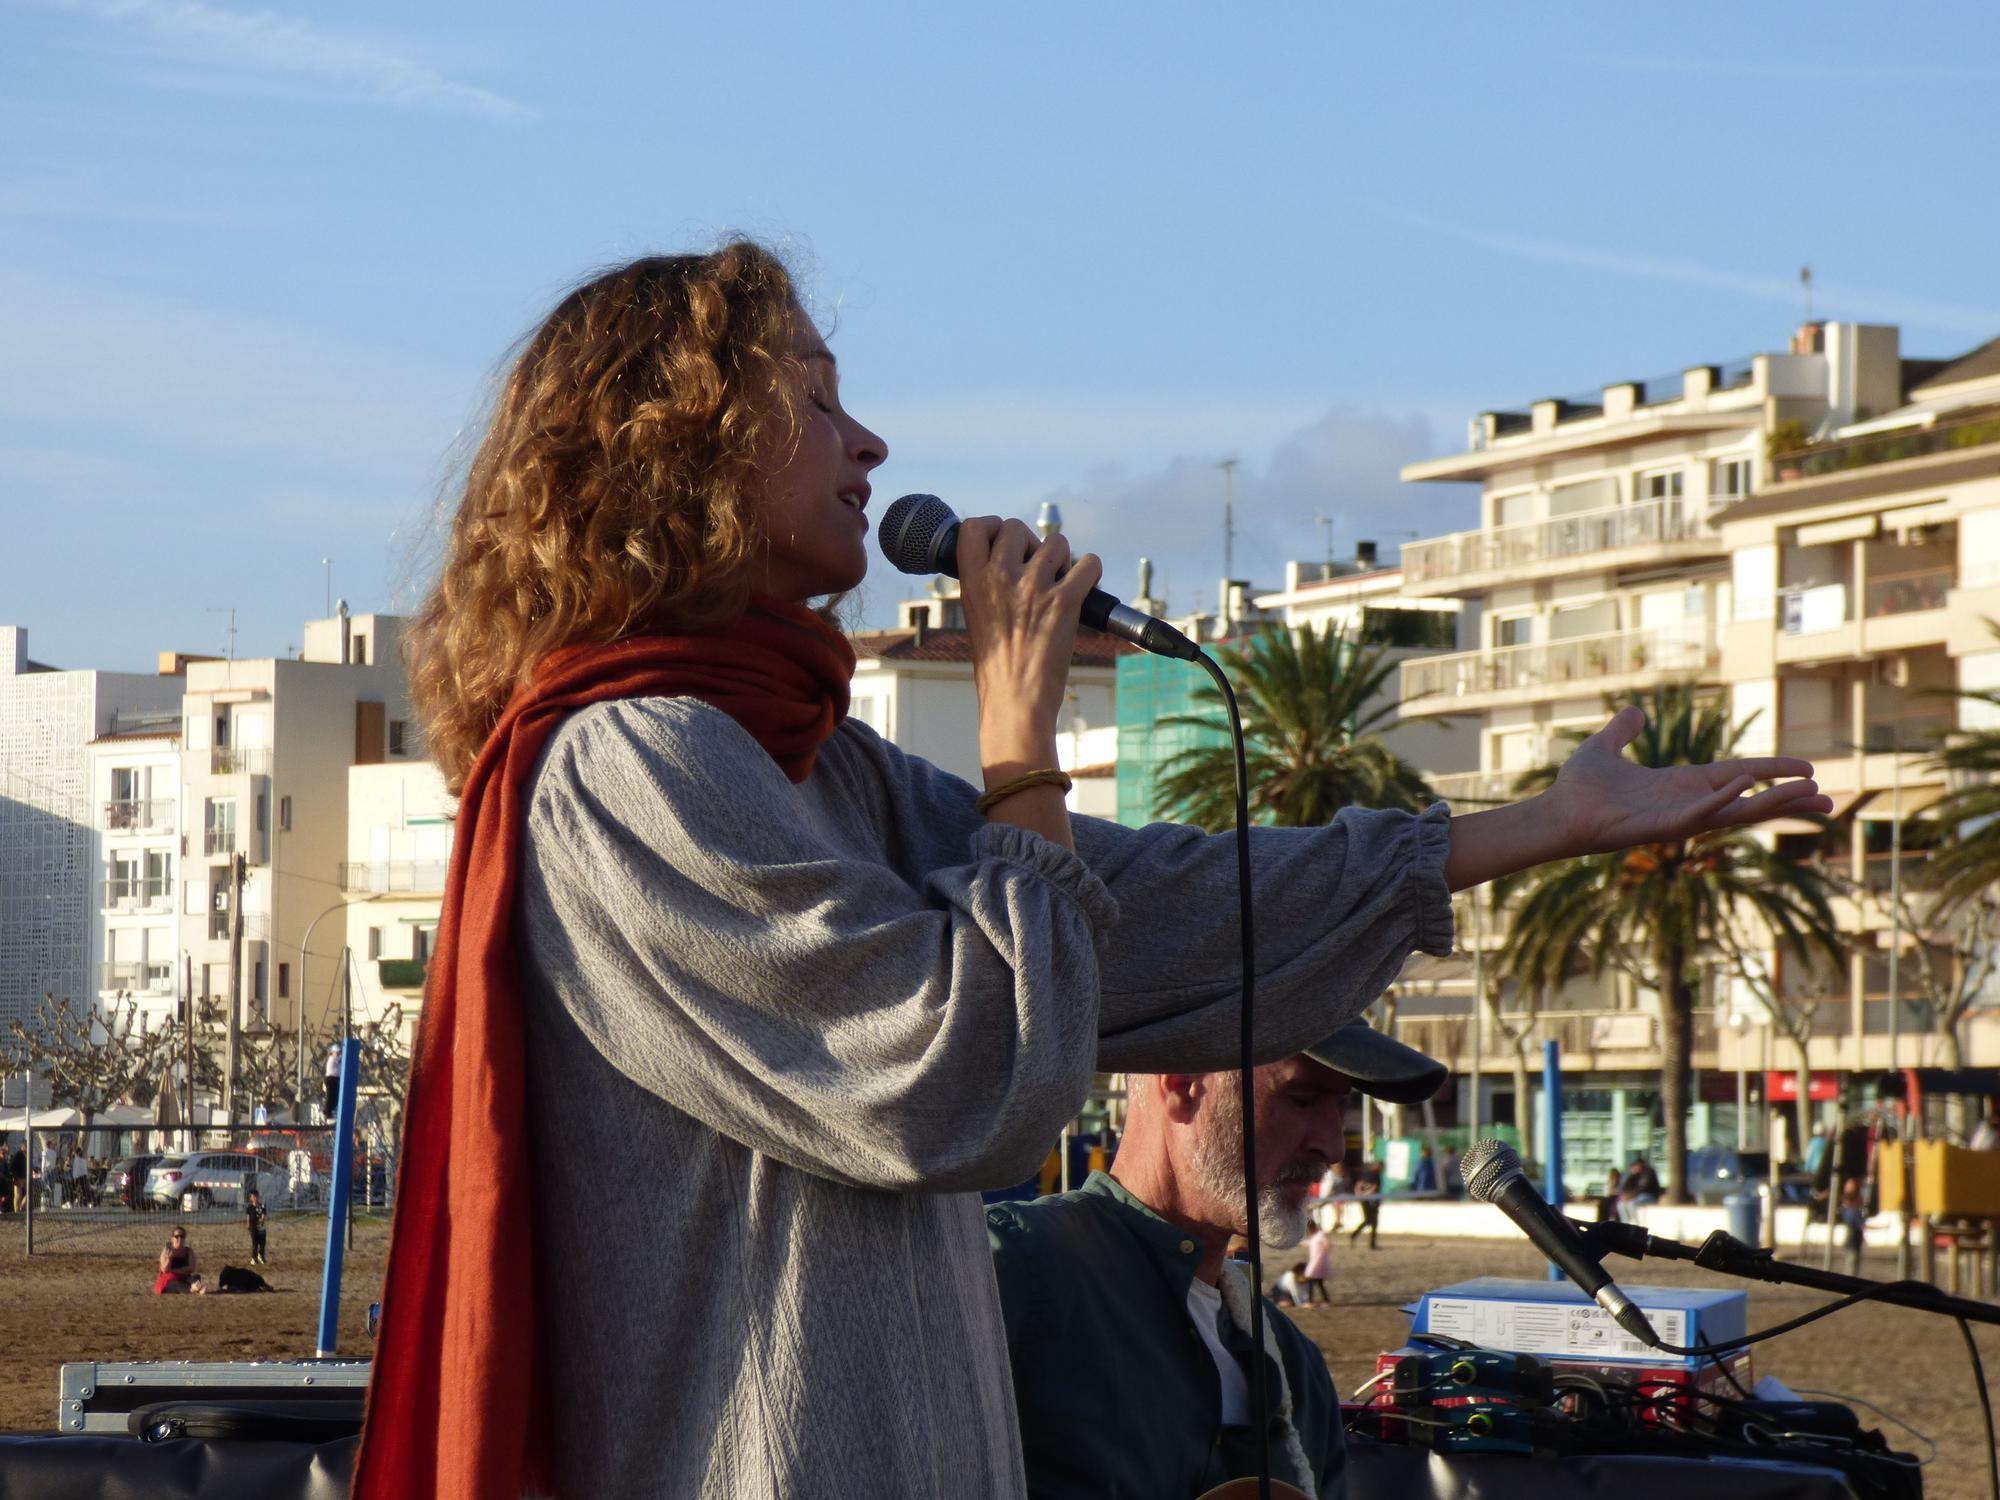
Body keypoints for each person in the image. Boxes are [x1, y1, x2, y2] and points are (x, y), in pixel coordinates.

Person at [352, 243, 1835, 1500]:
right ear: (675, 451)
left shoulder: (816, 762)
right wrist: (1016, 740)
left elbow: (1156, 910)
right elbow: (953, 1077)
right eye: (815, 401)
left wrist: (1539, 826)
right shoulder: (633, 767)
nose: (869, 444)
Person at [988, 1021, 1445, 1498]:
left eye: (1342, 1104)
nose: (1331, 1146)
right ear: (1182, 1081)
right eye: (1301, 1098)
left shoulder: (1293, 1364)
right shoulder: (1013, 1270)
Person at [154, 1226, 197, 1294]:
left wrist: (175, 1271)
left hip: (183, 1277)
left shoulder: (188, 1251)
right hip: (170, 1279)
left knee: (196, 1277)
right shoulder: (167, 1251)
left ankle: (196, 1288)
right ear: (172, 1239)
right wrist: (169, 1259)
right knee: (176, 1284)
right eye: (176, 1236)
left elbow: (192, 1268)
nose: (179, 1238)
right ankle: (193, 1289)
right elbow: (165, 1270)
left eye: (182, 1236)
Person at [1348, 1165, 1382, 1249]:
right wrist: (1367, 1195)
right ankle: (1371, 1243)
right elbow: (1375, 1187)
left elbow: (1358, 1185)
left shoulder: (1364, 1174)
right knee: (1372, 1221)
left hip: (1364, 1200)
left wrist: (1360, 1195)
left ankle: (1355, 1235)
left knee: (1368, 1220)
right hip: (1371, 1200)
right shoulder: (1376, 1175)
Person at [1299, 1220, 1332, 1305]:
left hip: (1318, 1263)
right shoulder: (1316, 1237)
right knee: (1318, 1283)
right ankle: (1325, 1300)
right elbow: (1309, 1243)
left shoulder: (1320, 1236)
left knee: (1311, 1281)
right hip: (1316, 1262)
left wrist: (1322, 1255)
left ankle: (1310, 1301)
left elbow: (1327, 1245)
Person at [245, 1188, 268, 1266]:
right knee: (255, 1243)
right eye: (253, 1197)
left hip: (261, 1227)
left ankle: (261, 1256)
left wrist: (262, 1219)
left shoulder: (262, 1206)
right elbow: (248, 1216)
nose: (255, 1198)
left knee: (262, 1243)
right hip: (253, 1227)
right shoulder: (249, 1207)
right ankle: (253, 1258)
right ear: (251, 1198)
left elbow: (264, 1215)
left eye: (256, 1196)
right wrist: (248, 1224)